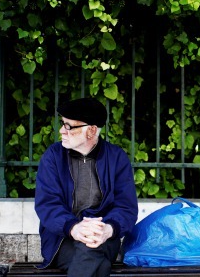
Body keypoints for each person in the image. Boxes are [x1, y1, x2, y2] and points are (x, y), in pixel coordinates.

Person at [34, 97, 138, 277]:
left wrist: (107, 229)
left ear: (91, 131)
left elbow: (126, 207)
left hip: (103, 236)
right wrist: (74, 228)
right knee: (99, 265)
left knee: (91, 249)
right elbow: (47, 204)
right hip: (62, 238)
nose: (61, 130)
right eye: (62, 124)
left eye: (68, 126)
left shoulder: (116, 158)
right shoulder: (53, 156)